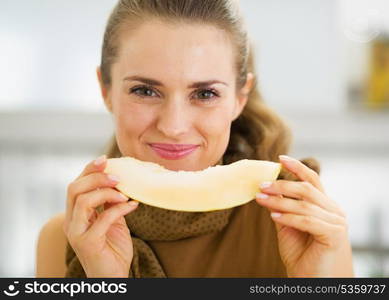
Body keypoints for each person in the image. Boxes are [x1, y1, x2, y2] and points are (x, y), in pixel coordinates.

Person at [36, 0, 354, 278]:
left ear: (240, 98)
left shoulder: (309, 232)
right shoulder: (63, 240)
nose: (174, 126)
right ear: (106, 91)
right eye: (145, 91)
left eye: (205, 93)